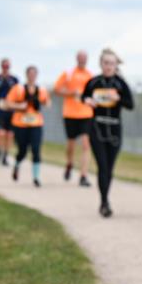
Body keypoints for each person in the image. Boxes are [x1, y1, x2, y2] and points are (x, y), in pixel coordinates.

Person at [82, 48, 135, 217]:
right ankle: (104, 202)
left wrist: (118, 98)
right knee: (102, 166)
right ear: (101, 64)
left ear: (115, 65)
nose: (108, 66)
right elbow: (83, 96)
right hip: (97, 127)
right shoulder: (93, 82)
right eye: (106, 63)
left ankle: (105, 198)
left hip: (114, 128)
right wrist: (88, 100)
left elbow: (130, 104)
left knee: (109, 168)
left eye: (112, 63)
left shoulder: (120, 83)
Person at [53, 51, 93, 187]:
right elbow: (57, 89)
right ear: (76, 59)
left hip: (86, 113)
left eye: (84, 58)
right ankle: (69, 163)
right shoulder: (68, 73)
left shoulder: (90, 75)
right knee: (71, 144)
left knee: (86, 144)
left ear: (87, 59)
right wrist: (71, 93)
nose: (82, 60)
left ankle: (83, 176)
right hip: (70, 113)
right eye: (80, 58)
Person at [6, 66, 50, 188]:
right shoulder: (18, 89)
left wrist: (43, 102)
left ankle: (36, 177)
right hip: (20, 123)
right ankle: (17, 165)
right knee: (23, 150)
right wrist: (20, 106)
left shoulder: (41, 89)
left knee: (36, 149)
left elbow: (47, 102)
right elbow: (8, 103)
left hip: (36, 123)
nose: (32, 76)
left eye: (34, 74)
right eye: (30, 73)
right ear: (27, 74)